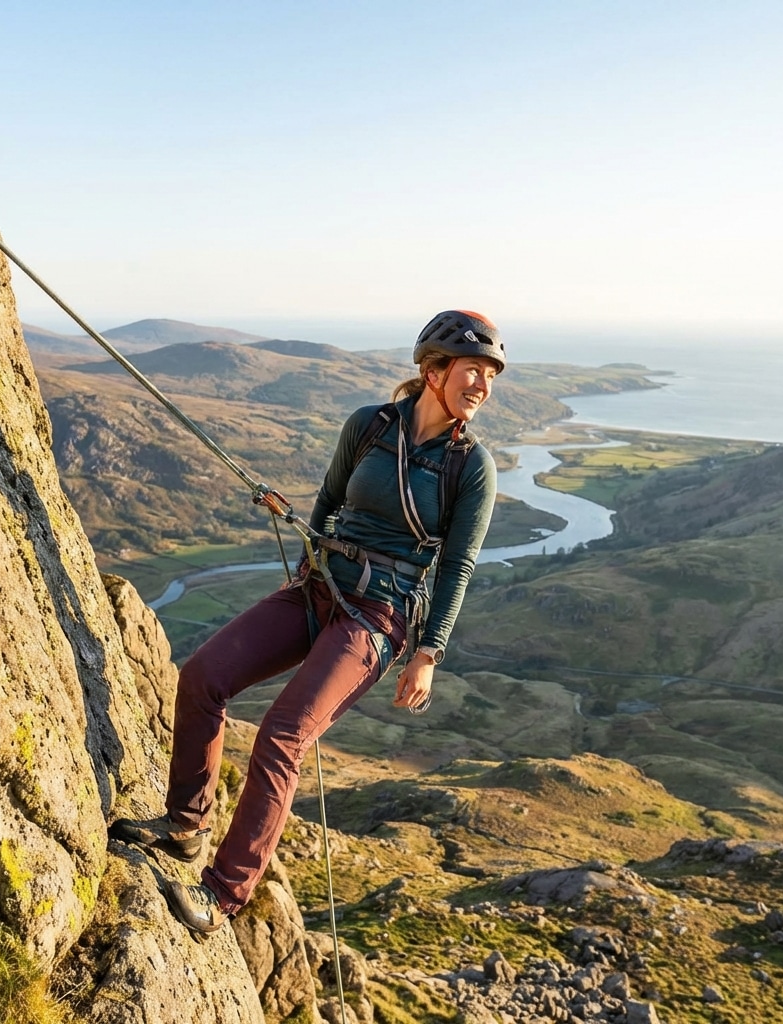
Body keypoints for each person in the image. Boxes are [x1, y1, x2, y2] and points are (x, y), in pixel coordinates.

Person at [110, 310, 505, 934]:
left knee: (283, 735)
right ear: (433, 372)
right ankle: (186, 825)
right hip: (318, 586)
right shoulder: (371, 426)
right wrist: (304, 569)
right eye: (471, 370)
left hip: (379, 615)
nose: (481, 384)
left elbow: (458, 568)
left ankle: (223, 894)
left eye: (490, 374)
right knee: (203, 676)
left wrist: (427, 655)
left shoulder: (471, 467)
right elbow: (327, 502)